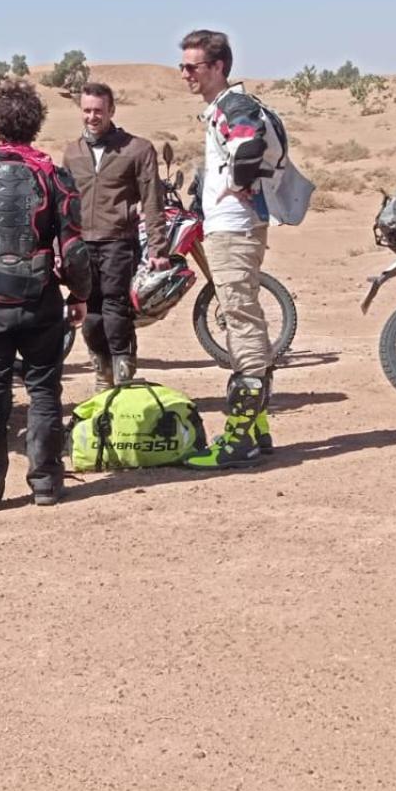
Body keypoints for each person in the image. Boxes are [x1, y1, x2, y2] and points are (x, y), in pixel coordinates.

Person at [0, 77, 93, 511]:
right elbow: (75, 251)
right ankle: (46, 483)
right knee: (44, 390)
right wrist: (79, 296)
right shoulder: (55, 177)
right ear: (35, 123)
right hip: (40, 299)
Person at [177, 29, 297, 469]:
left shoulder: (234, 106)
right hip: (236, 226)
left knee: (241, 322)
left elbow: (247, 145)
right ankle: (259, 429)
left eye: (193, 67)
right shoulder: (225, 108)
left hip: (233, 230)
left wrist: (240, 186)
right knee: (245, 318)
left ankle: (240, 438)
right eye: (183, 66)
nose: (185, 74)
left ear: (218, 67)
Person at [62, 81, 169, 391]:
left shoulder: (137, 148)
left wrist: (158, 247)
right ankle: (101, 374)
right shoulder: (72, 153)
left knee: (115, 309)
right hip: (81, 245)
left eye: (98, 110)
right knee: (89, 313)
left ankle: (123, 377)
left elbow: (152, 200)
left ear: (111, 110)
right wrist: (60, 244)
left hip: (118, 241)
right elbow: (65, 203)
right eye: (86, 111)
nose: (92, 117)